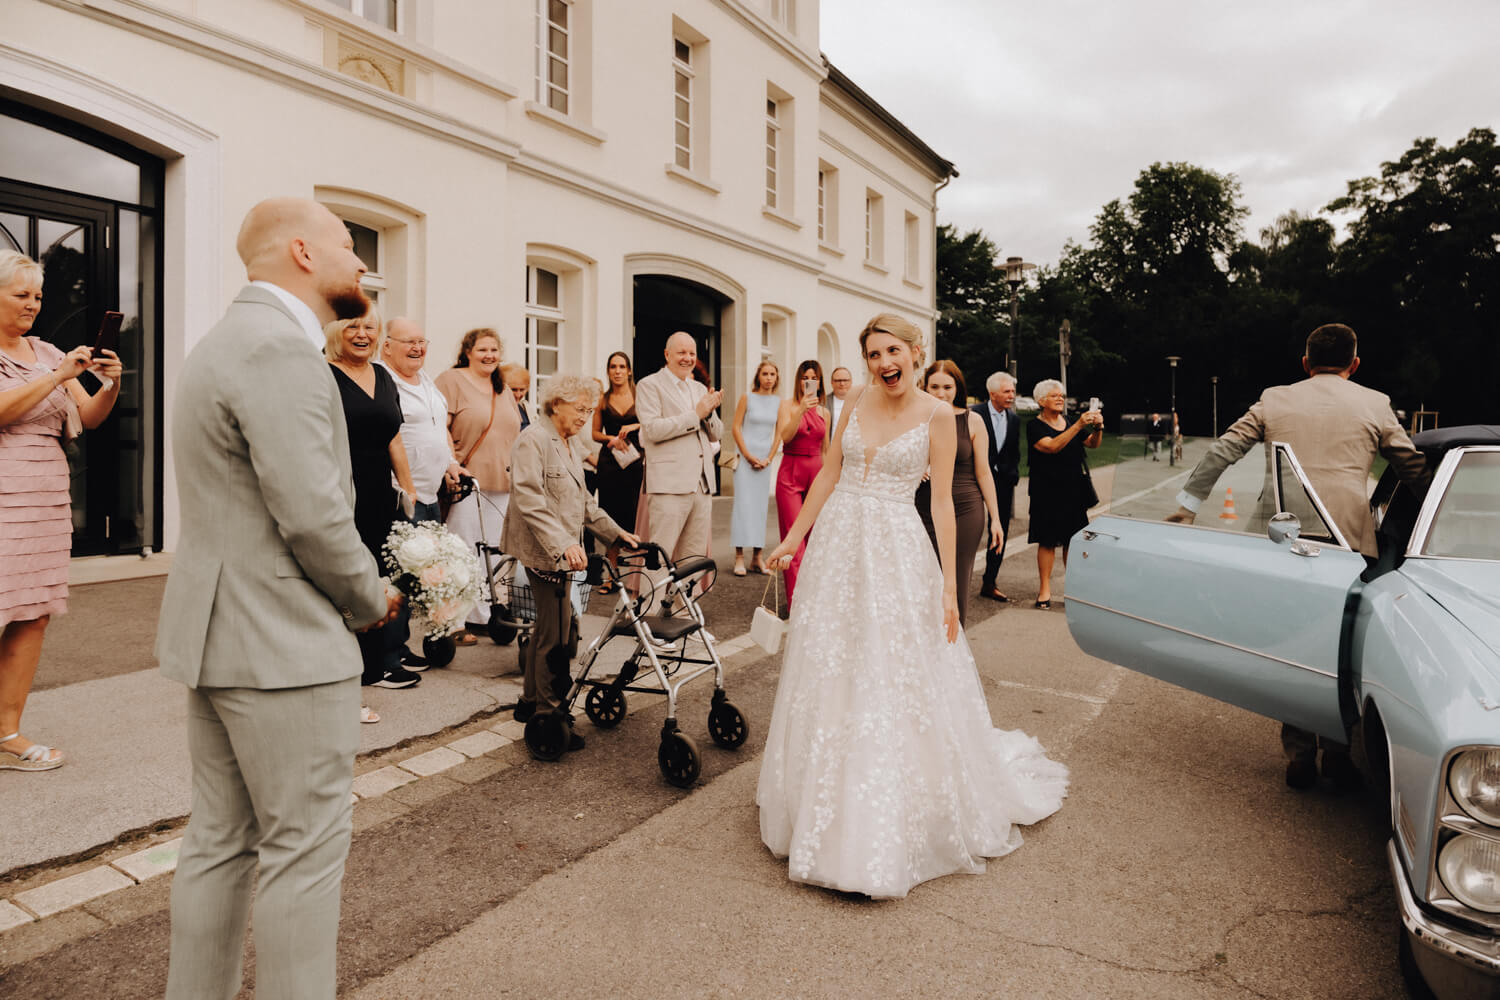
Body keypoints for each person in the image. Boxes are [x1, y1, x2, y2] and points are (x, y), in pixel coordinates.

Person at [156, 197, 401, 999]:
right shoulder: (281, 350)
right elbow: (315, 514)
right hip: (283, 645)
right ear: (301, 252)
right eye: (347, 244)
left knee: (220, 843)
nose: (361, 262)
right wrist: (371, 597)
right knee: (304, 851)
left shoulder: (220, 342)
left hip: (217, 638)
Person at [758, 313, 1067, 899]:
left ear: (916, 351)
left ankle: (886, 811)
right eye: (873, 354)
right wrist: (794, 538)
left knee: (890, 667)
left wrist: (950, 586)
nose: (882, 363)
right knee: (832, 664)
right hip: (839, 548)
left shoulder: (939, 415)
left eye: (891, 351)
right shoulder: (849, 404)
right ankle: (820, 798)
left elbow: (945, 507)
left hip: (899, 548)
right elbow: (828, 475)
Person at [1167, 322, 1427, 791]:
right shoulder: (1375, 403)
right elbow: (1410, 466)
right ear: (1355, 364)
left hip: (1280, 536)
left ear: (1305, 363)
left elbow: (1224, 450)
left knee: (1290, 643)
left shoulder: (1275, 398)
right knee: (1342, 646)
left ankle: (1298, 753)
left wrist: (1187, 507)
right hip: (1347, 540)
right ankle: (1339, 752)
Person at [0, 250, 122, 771]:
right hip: (3, 493)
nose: (32, 304)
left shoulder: (46, 350)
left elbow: (89, 417)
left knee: (33, 615)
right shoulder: (48, 365)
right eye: (20, 294)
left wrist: (111, 383)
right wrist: (54, 378)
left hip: (45, 496)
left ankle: (6, 734)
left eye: (38, 296)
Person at [503, 374, 639, 737]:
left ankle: (531, 701)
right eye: (580, 409)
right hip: (544, 550)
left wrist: (616, 532)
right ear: (556, 403)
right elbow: (529, 500)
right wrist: (562, 544)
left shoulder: (567, 442)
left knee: (548, 628)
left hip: (565, 550)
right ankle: (549, 713)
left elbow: (584, 504)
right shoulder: (533, 439)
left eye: (590, 409)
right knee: (556, 635)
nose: (585, 416)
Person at [326, 306, 422, 699]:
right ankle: (350, 668)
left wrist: (409, 489)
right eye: (353, 326)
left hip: (381, 495)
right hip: (339, 494)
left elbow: (393, 438)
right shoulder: (324, 374)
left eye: (370, 327)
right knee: (346, 577)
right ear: (337, 331)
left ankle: (379, 661)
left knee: (381, 577)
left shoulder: (383, 375)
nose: (362, 333)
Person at [436, 328, 522, 644]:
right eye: (482, 349)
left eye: (494, 350)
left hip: (504, 481)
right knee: (461, 549)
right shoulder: (451, 379)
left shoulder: (502, 387)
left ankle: (485, 615)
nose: (489, 355)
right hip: (468, 481)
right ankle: (453, 620)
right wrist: (451, 462)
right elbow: (439, 426)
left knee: (495, 553)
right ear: (468, 351)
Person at [915, 361, 1003, 627]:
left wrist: (995, 518)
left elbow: (984, 472)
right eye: (935, 386)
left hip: (966, 508)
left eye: (947, 387)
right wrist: (915, 468)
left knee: (958, 577)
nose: (941, 393)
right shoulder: (914, 418)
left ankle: (955, 648)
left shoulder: (972, 420)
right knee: (923, 578)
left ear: (957, 388)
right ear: (924, 387)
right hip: (923, 507)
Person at [636, 331, 722, 597]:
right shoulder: (649, 385)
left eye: (692, 354)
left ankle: (685, 617)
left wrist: (708, 414)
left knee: (693, 558)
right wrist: (696, 414)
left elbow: (717, 433)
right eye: (682, 353)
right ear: (667, 355)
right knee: (660, 555)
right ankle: (651, 620)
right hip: (669, 483)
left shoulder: (698, 388)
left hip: (701, 482)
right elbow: (651, 430)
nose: (687, 358)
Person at [378, 316, 465, 525]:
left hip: (431, 498)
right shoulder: (380, 380)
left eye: (421, 342)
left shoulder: (425, 378)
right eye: (410, 342)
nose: (417, 348)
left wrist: (451, 463)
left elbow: (438, 425)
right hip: (401, 498)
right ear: (388, 346)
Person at [1026, 379, 1103, 609]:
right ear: (1041, 401)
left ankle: (1073, 590)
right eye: (1054, 395)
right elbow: (1051, 446)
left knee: (1073, 540)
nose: (1060, 398)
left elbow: (1092, 444)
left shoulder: (1068, 421)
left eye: (1062, 395)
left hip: (1073, 490)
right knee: (1048, 541)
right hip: (1046, 491)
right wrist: (1079, 425)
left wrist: (1098, 427)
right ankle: (1044, 591)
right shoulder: (1034, 426)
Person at [773, 360, 829, 602]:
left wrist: (829, 484)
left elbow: (826, 450)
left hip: (816, 472)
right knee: (794, 541)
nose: (809, 382)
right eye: (805, 378)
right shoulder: (787, 406)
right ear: (798, 380)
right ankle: (798, 602)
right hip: (791, 473)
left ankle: (817, 599)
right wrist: (800, 411)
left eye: (813, 378)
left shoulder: (825, 412)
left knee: (816, 538)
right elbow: (785, 436)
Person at [592, 351, 643, 590]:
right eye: (613, 366)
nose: (618, 371)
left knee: (636, 516)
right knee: (610, 518)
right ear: (608, 370)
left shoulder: (640, 396)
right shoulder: (602, 400)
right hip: (610, 465)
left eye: (622, 366)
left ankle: (637, 579)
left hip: (635, 465)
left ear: (629, 370)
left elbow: (652, 422)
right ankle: (611, 576)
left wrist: (635, 424)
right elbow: (594, 433)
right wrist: (610, 438)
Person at [729, 359, 781, 576]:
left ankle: (757, 558)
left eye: (772, 374)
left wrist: (769, 458)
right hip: (745, 459)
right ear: (758, 376)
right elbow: (735, 427)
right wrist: (748, 456)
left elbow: (779, 432)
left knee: (760, 507)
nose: (768, 378)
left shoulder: (780, 402)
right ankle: (739, 556)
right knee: (743, 505)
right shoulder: (747, 398)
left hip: (765, 461)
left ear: (776, 378)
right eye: (765, 374)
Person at [974, 372, 1021, 602]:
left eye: (1012, 391)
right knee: (971, 528)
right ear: (993, 394)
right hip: (974, 479)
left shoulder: (1015, 419)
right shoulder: (975, 414)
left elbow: (1013, 452)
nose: (1011, 395)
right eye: (1007, 391)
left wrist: (1012, 474)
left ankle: (990, 581)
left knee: (999, 530)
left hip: (1003, 482)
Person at [503, 363, 533, 430]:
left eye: (522, 390)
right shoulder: (497, 410)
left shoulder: (526, 408)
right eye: (514, 390)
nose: (518, 395)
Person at [827, 365, 853, 439]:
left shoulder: (859, 402)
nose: (842, 384)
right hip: (831, 447)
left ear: (851, 381)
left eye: (845, 380)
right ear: (832, 382)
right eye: (838, 380)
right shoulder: (823, 403)